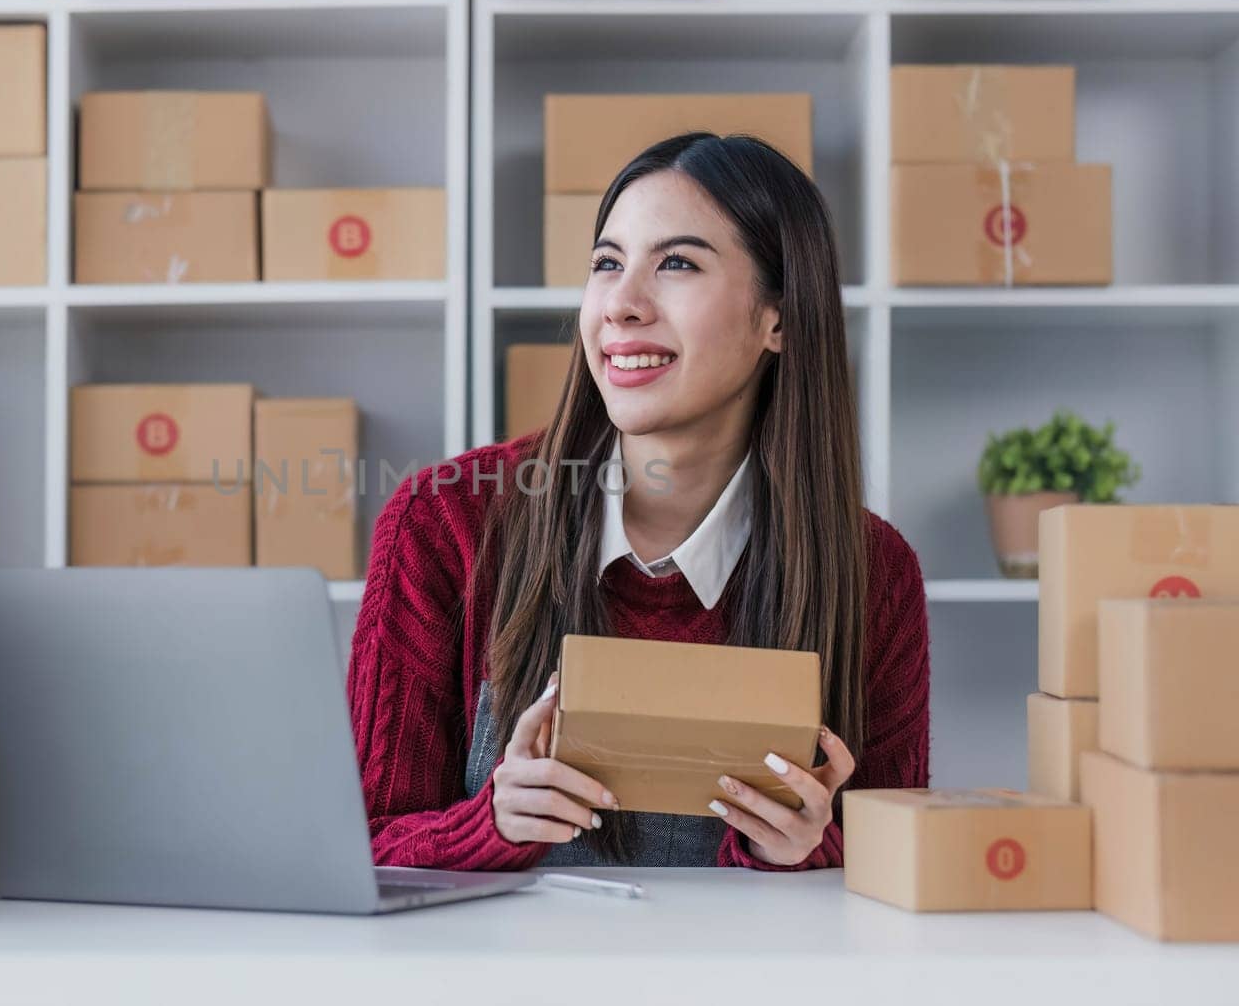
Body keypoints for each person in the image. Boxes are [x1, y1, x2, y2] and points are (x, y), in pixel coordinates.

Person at [347, 133, 929, 870]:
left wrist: (810, 848)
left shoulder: (874, 572)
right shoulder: (444, 522)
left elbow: (904, 863)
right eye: (607, 264)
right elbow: (360, 841)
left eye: (677, 262)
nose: (621, 304)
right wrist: (488, 823)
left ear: (776, 318)